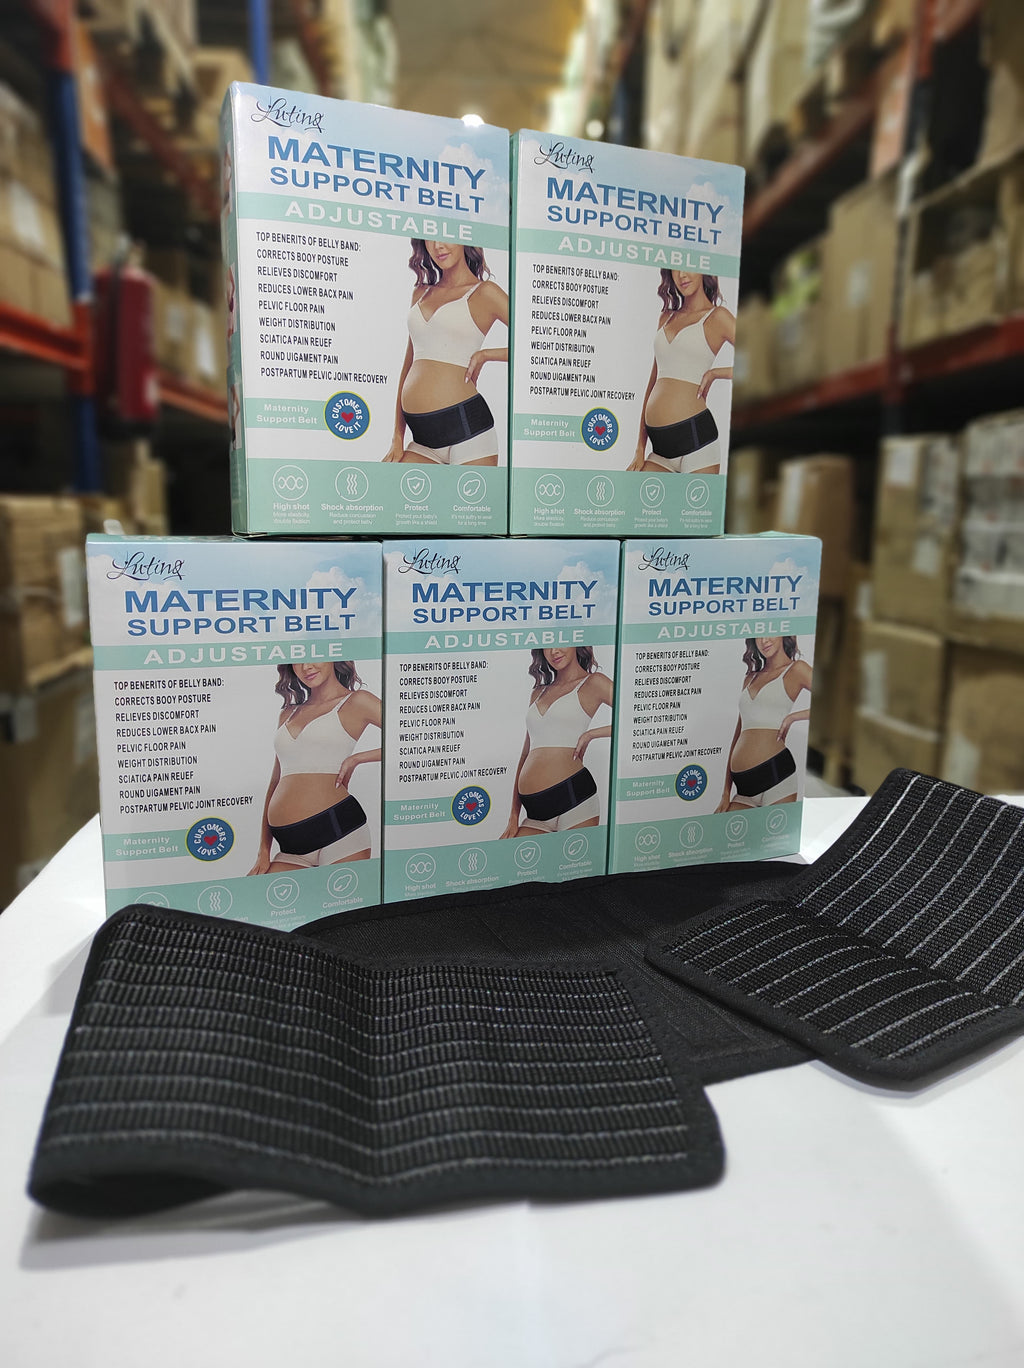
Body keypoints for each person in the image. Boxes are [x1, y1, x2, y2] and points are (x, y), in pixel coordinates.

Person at [383, 239, 508, 465]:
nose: (438, 246)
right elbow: (409, 364)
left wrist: (486, 355)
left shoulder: (485, 292)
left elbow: (535, 344)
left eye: (446, 237)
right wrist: (397, 436)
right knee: (385, 484)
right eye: (430, 238)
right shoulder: (420, 293)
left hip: (469, 435)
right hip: (421, 439)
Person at [250, 661, 381, 871]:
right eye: (298, 660)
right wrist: (263, 850)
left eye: (315, 657)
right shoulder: (288, 713)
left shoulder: (357, 701)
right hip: (289, 845)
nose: (306, 667)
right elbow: (275, 781)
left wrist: (357, 758)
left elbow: (407, 735)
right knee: (262, 890)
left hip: (339, 834)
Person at [629, 270, 735, 475]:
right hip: (659, 450)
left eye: (689, 267)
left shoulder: (717, 317)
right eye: (675, 269)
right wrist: (640, 447)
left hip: (697, 446)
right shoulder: (666, 317)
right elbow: (653, 382)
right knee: (633, 494)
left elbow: (757, 354)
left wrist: (716, 373)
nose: (682, 275)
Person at [502, 646, 614, 837]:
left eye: (561, 643)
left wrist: (591, 734)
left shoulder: (593, 682)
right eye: (548, 645)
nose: (554, 651)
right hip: (535, 811)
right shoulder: (538, 692)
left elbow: (634, 715)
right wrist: (513, 816)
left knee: (577, 858)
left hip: (574, 801)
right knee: (510, 854)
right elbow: (525, 754)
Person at [717, 636, 812, 812]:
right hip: (743, 787)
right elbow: (738, 733)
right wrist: (726, 793)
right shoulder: (750, 678)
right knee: (722, 828)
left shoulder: (796, 669)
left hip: (777, 778)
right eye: (759, 636)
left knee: (778, 831)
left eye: (771, 633)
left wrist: (793, 717)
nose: (764, 641)